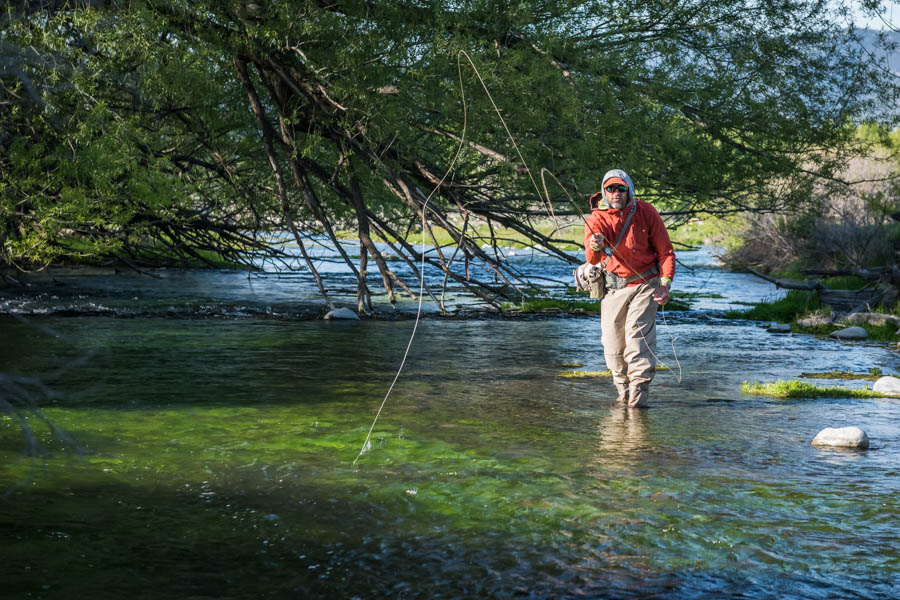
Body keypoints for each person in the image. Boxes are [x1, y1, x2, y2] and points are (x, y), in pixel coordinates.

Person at [584, 169, 675, 408]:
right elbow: (592, 259)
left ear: (629, 190)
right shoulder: (596, 218)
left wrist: (665, 285)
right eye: (611, 188)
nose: (616, 193)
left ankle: (638, 400)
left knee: (637, 341)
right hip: (613, 289)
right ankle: (623, 394)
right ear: (604, 191)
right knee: (613, 347)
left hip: (646, 285)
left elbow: (666, 252)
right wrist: (595, 245)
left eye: (621, 188)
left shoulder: (646, 211)